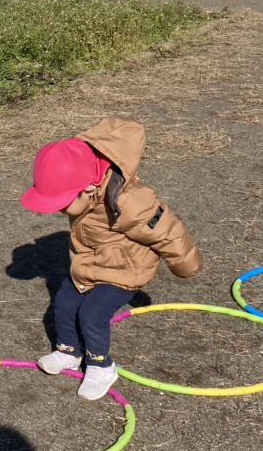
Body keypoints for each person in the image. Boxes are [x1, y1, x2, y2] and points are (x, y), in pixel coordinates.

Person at [21, 117, 202, 400]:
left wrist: (186, 265)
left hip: (125, 269)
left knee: (92, 314)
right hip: (90, 263)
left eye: (62, 204)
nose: (59, 211)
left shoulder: (131, 202)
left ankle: (101, 367)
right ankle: (69, 352)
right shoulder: (86, 190)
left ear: (89, 189)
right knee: (65, 302)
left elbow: (168, 232)